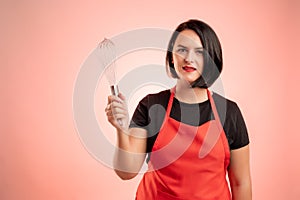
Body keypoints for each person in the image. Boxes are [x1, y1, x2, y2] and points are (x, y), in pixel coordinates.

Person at [105, 19, 252, 200]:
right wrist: (121, 129)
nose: (188, 58)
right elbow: (126, 172)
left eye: (199, 52)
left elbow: (240, 182)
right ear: (172, 57)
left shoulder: (230, 112)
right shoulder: (151, 105)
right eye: (182, 50)